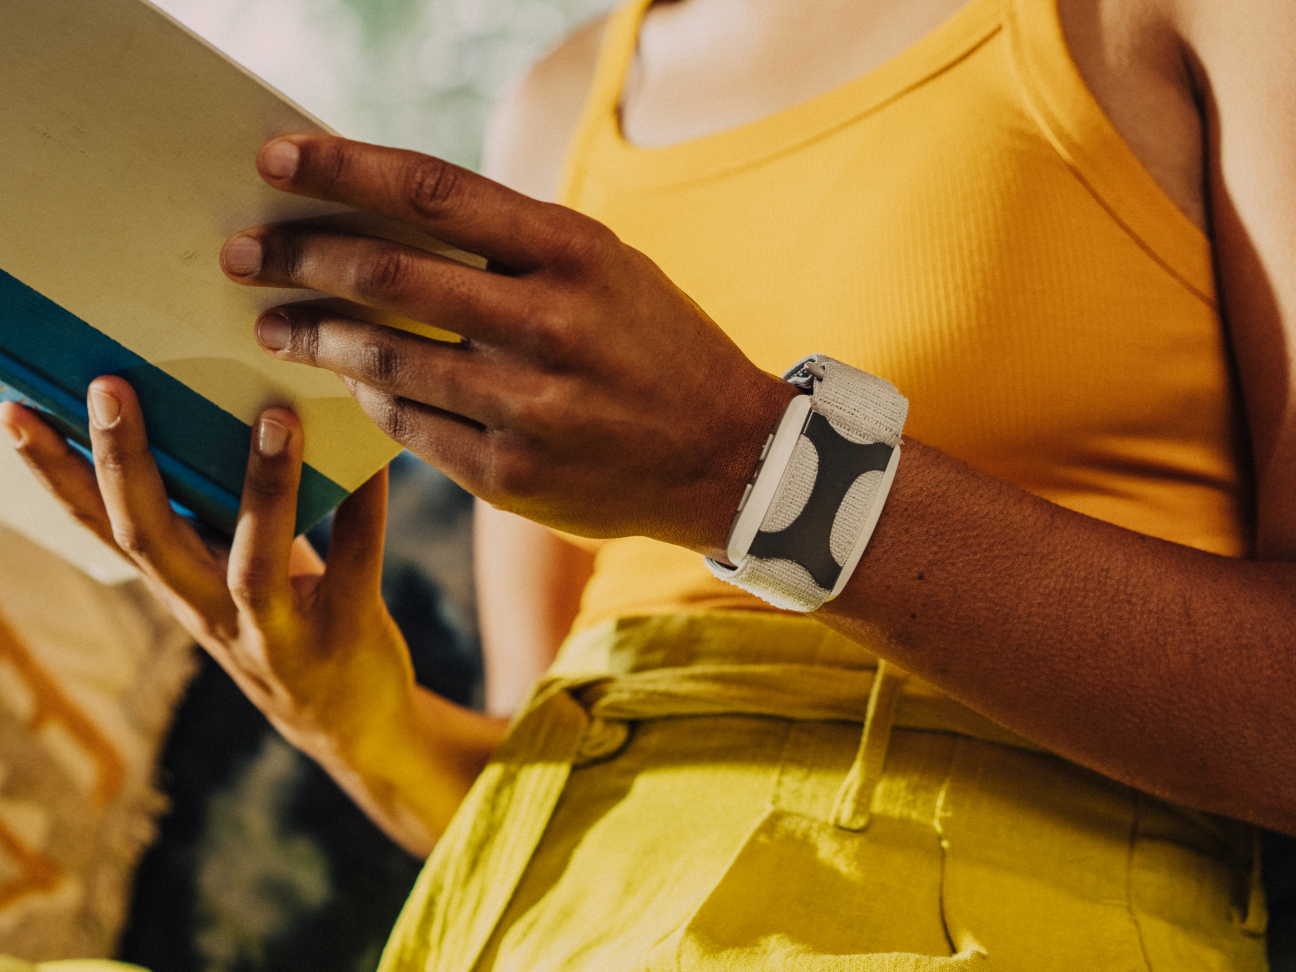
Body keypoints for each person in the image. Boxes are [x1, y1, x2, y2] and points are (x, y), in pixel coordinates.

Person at [3, 0, 1295, 966]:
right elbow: (535, 758)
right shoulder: (564, 99)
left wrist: (749, 469)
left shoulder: (1194, 22)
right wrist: (354, 713)